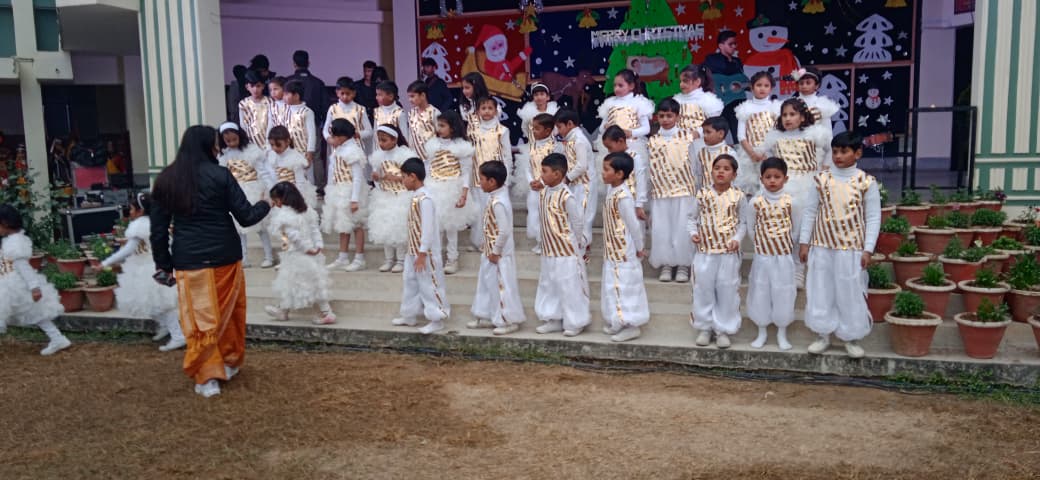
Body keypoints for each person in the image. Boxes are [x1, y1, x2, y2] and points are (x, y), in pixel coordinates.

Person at [151, 125, 271, 398]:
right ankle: (228, 362)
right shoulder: (220, 175)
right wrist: (265, 203)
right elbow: (246, 217)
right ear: (208, 146)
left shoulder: (167, 178)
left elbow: (158, 230)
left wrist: (164, 265)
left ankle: (206, 376)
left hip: (189, 259)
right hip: (224, 257)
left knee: (200, 319)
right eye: (216, 143)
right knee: (229, 314)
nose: (219, 148)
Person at [799, 131, 880, 358]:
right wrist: (804, 242)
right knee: (821, 290)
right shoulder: (821, 179)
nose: (838, 156)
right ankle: (822, 334)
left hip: (851, 249)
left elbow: (873, 217)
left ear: (858, 153)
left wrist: (868, 249)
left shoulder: (866, 182)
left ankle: (850, 337)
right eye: (835, 152)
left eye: (844, 152)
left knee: (849, 291)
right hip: (822, 245)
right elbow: (810, 211)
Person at [755, 98, 830, 286]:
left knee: (801, 227)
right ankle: (780, 267)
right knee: (782, 227)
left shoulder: (814, 134)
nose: (788, 118)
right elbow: (770, 158)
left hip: (806, 184)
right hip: (782, 186)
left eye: (792, 114)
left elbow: (830, 149)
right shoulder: (775, 137)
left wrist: (824, 168)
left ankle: (799, 268)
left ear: (803, 117)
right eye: (784, 115)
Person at [101, 193, 185, 352]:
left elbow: (128, 249)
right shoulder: (156, 222)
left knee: (162, 303)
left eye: (132, 209)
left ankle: (178, 335)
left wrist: (105, 262)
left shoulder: (139, 225)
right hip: (153, 266)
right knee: (151, 302)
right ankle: (166, 326)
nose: (130, 212)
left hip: (148, 268)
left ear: (140, 210)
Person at [688, 154, 746, 348]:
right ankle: (705, 327)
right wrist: (693, 233)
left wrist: (737, 239)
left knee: (726, 290)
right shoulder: (702, 194)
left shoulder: (738, 196)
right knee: (703, 289)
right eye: (717, 168)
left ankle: (722, 329)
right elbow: (691, 218)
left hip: (727, 254)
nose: (721, 171)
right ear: (711, 171)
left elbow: (743, 223)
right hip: (704, 252)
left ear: (734, 174)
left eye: (726, 169)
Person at [0, 204, 70, 356]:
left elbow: (23, 267)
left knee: (34, 312)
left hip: (14, 285)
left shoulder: (14, 243)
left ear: (5, 223)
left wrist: (34, 287)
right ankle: (57, 338)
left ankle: (57, 338)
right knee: (35, 313)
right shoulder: (12, 240)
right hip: (11, 282)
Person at [391, 157, 451, 334]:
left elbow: (428, 228)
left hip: (425, 252)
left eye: (404, 177)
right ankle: (409, 314)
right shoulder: (416, 197)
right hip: (413, 250)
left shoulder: (426, 199)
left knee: (429, 284)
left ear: (413, 176)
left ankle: (437, 318)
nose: (402, 181)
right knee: (410, 282)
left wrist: (423, 252)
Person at [467, 160, 525, 335]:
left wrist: (496, 250)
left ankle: (507, 320)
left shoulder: (499, 202)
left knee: (501, 287)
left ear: (492, 181)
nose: (479, 183)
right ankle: (487, 315)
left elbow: (504, 230)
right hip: (489, 251)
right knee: (487, 285)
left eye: (482, 179)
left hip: (498, 254)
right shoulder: (493, 198)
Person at [533, 153, 588, 337]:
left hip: (566, 251)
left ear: (557, 174)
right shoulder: (544, 193)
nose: (541, 175)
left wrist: (576, 244)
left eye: (544, 171)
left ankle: (575, 321)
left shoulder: (567, 196)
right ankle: (553, 319)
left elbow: (577, 223)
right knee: (549, 285)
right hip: (549, 250)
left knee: (569, 286)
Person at [265, 182, 335, 325]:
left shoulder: (285, 215)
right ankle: (283, 310)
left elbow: (294, 236)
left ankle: (327, 313)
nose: (275, 203)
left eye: (276, 199)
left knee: (307, 283)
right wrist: (318, 245)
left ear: (283, 198)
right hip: (307, 252)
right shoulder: (306, 210)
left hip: (298, 254)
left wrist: (308, 248)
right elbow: (315, 230)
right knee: (294, 282)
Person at [746, 157, 795, 350]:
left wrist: (784, 245)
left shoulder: (791, 202)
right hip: (763, 256)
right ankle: (762, 331)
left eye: (777, 176)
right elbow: (751, 228)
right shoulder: (755, 202)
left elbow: (796, 228)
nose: (772, 181)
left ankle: (782, 332)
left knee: (783, 292)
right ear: (761, 179)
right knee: (761, 291)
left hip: (783, 256)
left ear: (786, 178)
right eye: (768, 177)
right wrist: (762, 245)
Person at [600, 152, 649, 343]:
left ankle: (631, 325)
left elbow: (633, 225)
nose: (603, 173)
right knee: (613, 287)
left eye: (607, 169)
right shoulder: (612, 191)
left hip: (623, 251)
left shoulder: (624, 196)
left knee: (625, 287)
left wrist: (639, 247)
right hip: (612, 249)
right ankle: (617, 320)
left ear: (619, 174)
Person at [647, 99, 697, 283]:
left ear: (677, 116)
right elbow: (649, 168)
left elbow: (694, 164)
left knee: (682, 228)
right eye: (662, 116)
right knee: (662, 229)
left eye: (669, 115)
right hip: (661, 191)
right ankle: (666, 264)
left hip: (684, 190)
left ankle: (683, 264)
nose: (666, 119)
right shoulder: (653, 140)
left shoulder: (687, 137)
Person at [423, 111, 478, 275]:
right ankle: (435, 259)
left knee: (451, 227)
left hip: (453, 188)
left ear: (452, 128)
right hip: (434, 187)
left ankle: (452, 258)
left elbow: (466, 172)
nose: (439, 128)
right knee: (436, 227)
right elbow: (428, 167)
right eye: (438, 125)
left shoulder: (461, 147)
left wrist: (464, 193)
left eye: (442, 125)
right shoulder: (432, 144)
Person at [218, 122, 277, 269]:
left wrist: (272, 189)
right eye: (228, 141)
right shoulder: (224, 155)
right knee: (239, 228)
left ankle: (268, 256)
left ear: (240, 136)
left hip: (253, 189)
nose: (231, 143)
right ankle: (243, 257)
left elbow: (263, 172)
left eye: (234, 139)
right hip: (236, 192)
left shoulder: (251, 151)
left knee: (260, 226)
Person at [368, 125, 417, 273]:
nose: (381, 143)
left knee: (399, 228)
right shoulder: (378, 156)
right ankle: (388, 259)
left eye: (384, 140)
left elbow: (412, 176)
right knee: (386, 228)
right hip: (384, 195)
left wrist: (397, 178)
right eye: (379, 140)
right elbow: (378, 178)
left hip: (401, 196)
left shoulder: (404, 154)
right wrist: (377, 178)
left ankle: (401, 260)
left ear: (394, 139)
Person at [322, 119, 369, 272]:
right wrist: (330, 188)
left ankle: (359, 258)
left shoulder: (353, 151)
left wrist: (354, 199)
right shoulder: (338, 150)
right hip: (338, 190)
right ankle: (343, 257)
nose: (332, 139)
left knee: (356, 225)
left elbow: (357, 177)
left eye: (334, 136)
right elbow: (332, 171)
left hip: (350, 191)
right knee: (343, 224)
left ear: (342, 136)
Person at [468, 96, 512, 249]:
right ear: (478, 111)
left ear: (496, 110)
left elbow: (507, 156)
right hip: (478, 178)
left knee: (495, 211)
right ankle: (479, 241)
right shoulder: (473, 131)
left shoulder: (502, 130)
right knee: (479, 211)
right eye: (483, 108)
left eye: (490, 108)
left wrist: (506, 179)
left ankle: (496, 242)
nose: (486, 111)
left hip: (497, 179)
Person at [555, 109, 596, 262]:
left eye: (560, 127)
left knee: (583, 218)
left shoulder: (579, 140)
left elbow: (582, 165)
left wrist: (567, 178)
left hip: (584, 185)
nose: (558, 131)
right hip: (575, 185)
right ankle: (578, 248)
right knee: (575, 217)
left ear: (570, 124)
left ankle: (582, 252)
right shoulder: (570, 139)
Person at [518, 113, 559, 254]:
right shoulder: (532, 146)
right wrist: (531, 181)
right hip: (534, 188)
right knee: (534, 214)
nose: (533, 131)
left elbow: (555, 168)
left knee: (548, 214)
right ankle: (539, 240)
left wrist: (542, 182)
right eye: (533, 128)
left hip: (549, 187)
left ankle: (549, 242)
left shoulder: (554, 147)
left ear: (547, 131)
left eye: (537, 129)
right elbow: (527, 166)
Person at [734, 71, 780, 195]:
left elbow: (778, 132)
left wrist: (766, 152)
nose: (762, 88)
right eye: (759, 85)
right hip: (749, 154)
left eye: (766, 85)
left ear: (771, 88)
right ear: (752, 87)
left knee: (770, 186)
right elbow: (741, 136)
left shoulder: (775, 108)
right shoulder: (745, 108)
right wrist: (752, 154)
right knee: (750, 189)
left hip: (770, 153)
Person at [597, 69, 654, 163]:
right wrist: (605, 127)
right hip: (612, 146)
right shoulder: (609, 103)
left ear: (631, 86)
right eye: (614, 85)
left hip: (632, 146)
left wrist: (631, 133)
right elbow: (601, 128)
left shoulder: (639, 102)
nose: (616, 89)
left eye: (620, 85)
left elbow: (646, 129)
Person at [703, 30, 746, 139]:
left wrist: (746, 85)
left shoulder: (737, 61)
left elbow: (743, 80)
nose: (734, 46)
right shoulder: (712, 59)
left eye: (735, 44)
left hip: (738, 101)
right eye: (731, 44)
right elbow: (706, 76)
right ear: (721, 46)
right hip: (721, 101)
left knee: (740, 134)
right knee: (716, 133)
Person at [601, 126, 648, 227]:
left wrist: (639, 204)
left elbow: (641, 181)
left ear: (620, 141)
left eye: (610, 147)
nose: (609, 151)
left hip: (631, 202)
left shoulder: (635, 157)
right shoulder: (611, 160)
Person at [267, 126, 318, 208]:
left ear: (287, 141)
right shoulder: (273, 157)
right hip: (280, 196)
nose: (274, 148)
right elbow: (274, 178)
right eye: (272, 145)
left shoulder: (295, 158)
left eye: (278, 145)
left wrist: (297, 201)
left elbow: (300, 182)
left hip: (294, 195)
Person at [280, 81, 318, 182]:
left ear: (296, 96)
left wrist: (310, 152)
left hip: (303, 152)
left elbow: (312, 134)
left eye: (286, 94)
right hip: (287, 152)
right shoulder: (284, 110)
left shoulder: (307, 112)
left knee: (305, 179)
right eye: (283, 94)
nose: (283, 97)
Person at [673, 64, 724, 139]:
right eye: (680, 81)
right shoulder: (677, 100)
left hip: (703, 141)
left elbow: (713, 125)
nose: (681, 84)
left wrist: (697, 133)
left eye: (685, 81)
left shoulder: (708, 101)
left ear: (697, 81)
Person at [324, 77, 372, 155]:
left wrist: (357, 134)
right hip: (337, 149)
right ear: (337, 93)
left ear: (354, 93)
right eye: (342, 93)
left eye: (348, 93)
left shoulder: (360, 109)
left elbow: (369, 131)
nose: (345, 97)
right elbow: (325, 130)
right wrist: (329, 139)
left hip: (355, 149)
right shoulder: (333, 109)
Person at [690, 116, 736, 192]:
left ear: (721, 134)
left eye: (708, 132)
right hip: (706, 195)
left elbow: (736, 177)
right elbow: (698, 175)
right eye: (703, 132)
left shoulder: (729, 153)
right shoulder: (701, 153)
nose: (704, 136)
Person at [285, 50, 328, 129]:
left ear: (294, 64)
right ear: (308, 63)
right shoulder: (318, 83)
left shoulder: (287, 81)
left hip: (290, 124)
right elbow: (325, 107)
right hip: (314, 124)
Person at [405, 80, 441, 161]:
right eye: (409, 97)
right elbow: (411, 135)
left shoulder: (434, 113)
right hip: (415, 156)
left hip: (432, 156)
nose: (410, 100)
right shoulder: (411, 113)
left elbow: (440, 135)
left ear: (423, 95)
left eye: (412, 96)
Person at [238, 70, 274, 149]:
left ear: (263, 86)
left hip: (267, 140)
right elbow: (242, 124)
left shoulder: (270, 102)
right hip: (250, 141)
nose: (255, 89)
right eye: (252, 86)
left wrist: (268, 139)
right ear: (247, 87)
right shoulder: (243, 103)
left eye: (258, 86)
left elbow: (271, 122)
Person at [372, 81, 409, 153]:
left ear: (390, 96)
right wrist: (374, 152)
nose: (376, 98)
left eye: (380, 95)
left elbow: (404, 136)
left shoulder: (399, 113)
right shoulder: (377, 111)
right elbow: (375, 134)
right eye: (377, 95)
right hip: (380, 151)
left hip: (395, 152)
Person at [460, 72, 493, 137]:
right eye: (463, 88)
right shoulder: (464, 103)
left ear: (477, 87)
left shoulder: (490, 103)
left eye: (467, 88)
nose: (464, 91)